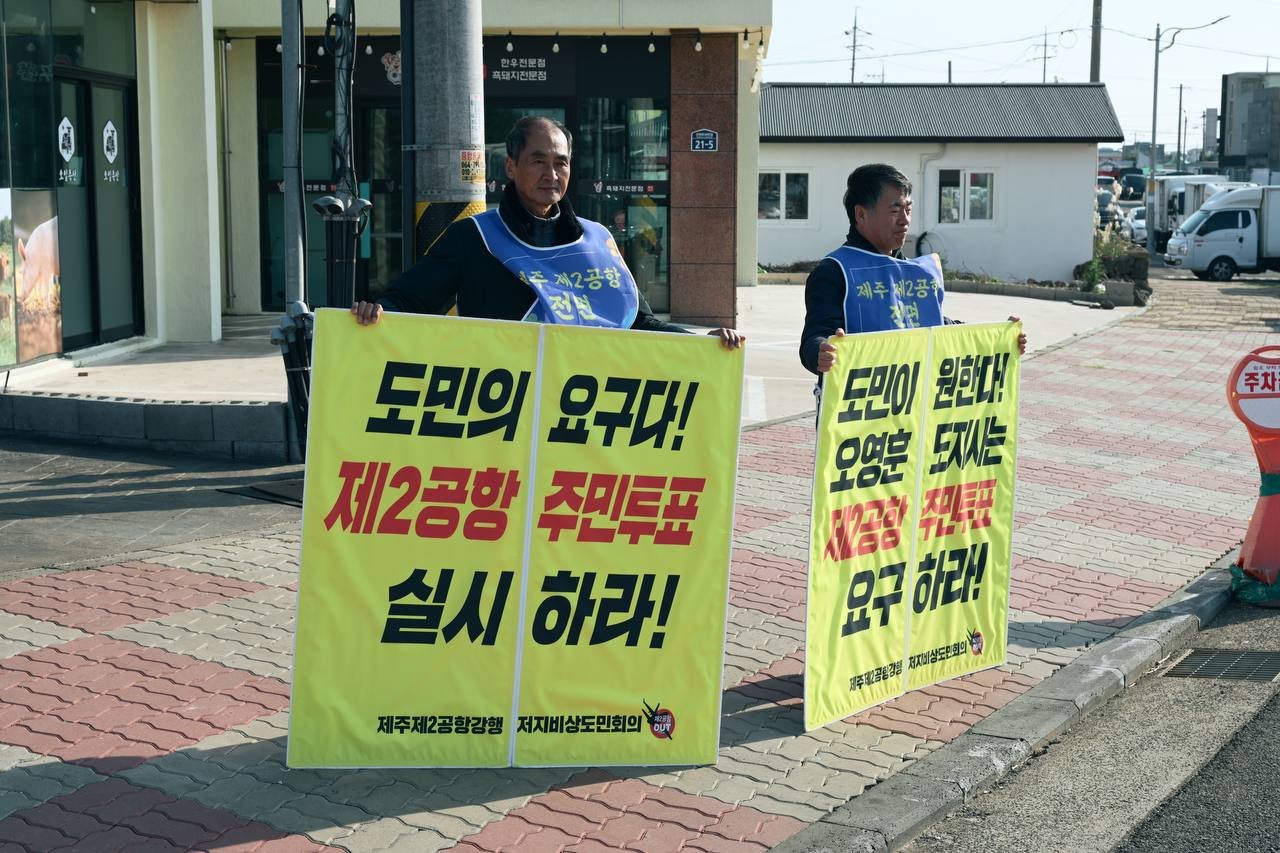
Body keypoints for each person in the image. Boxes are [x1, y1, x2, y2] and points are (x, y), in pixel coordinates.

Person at [352, 115, 742, 349]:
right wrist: (378, 311)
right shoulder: (476, 237)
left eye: (561, 163)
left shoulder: (598, 241)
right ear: (510, 167)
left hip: (583, 413)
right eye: (538, 161)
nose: (551, 174)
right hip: (500, 408)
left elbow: (638, 322)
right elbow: (410, 299)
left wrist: (698, 342)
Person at [799, 163, 1025, 376]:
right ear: (861, 214)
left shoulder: (912, 271)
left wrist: (999, 340)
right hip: (859, 410)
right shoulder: (834, 271)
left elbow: (936, 325)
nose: (905, 220)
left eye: (908, 209)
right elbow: (815, 336)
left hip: (911, 411)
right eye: (895, 210)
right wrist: (821, 351)